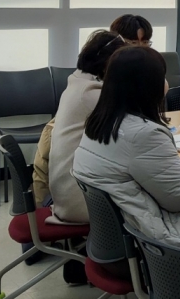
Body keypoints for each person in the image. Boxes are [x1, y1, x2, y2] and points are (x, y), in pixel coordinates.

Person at [73, 47, 180, 248]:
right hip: (158, 240)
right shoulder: (144, 134)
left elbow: (146, 165)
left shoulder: (100, 122)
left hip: (118, 235)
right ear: (148, 84)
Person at [46, 30, 126, 224]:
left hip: (66, 195)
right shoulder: (90, 94)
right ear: (108, 64)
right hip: (81, 202)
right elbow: (133, 129)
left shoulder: (76, 84)